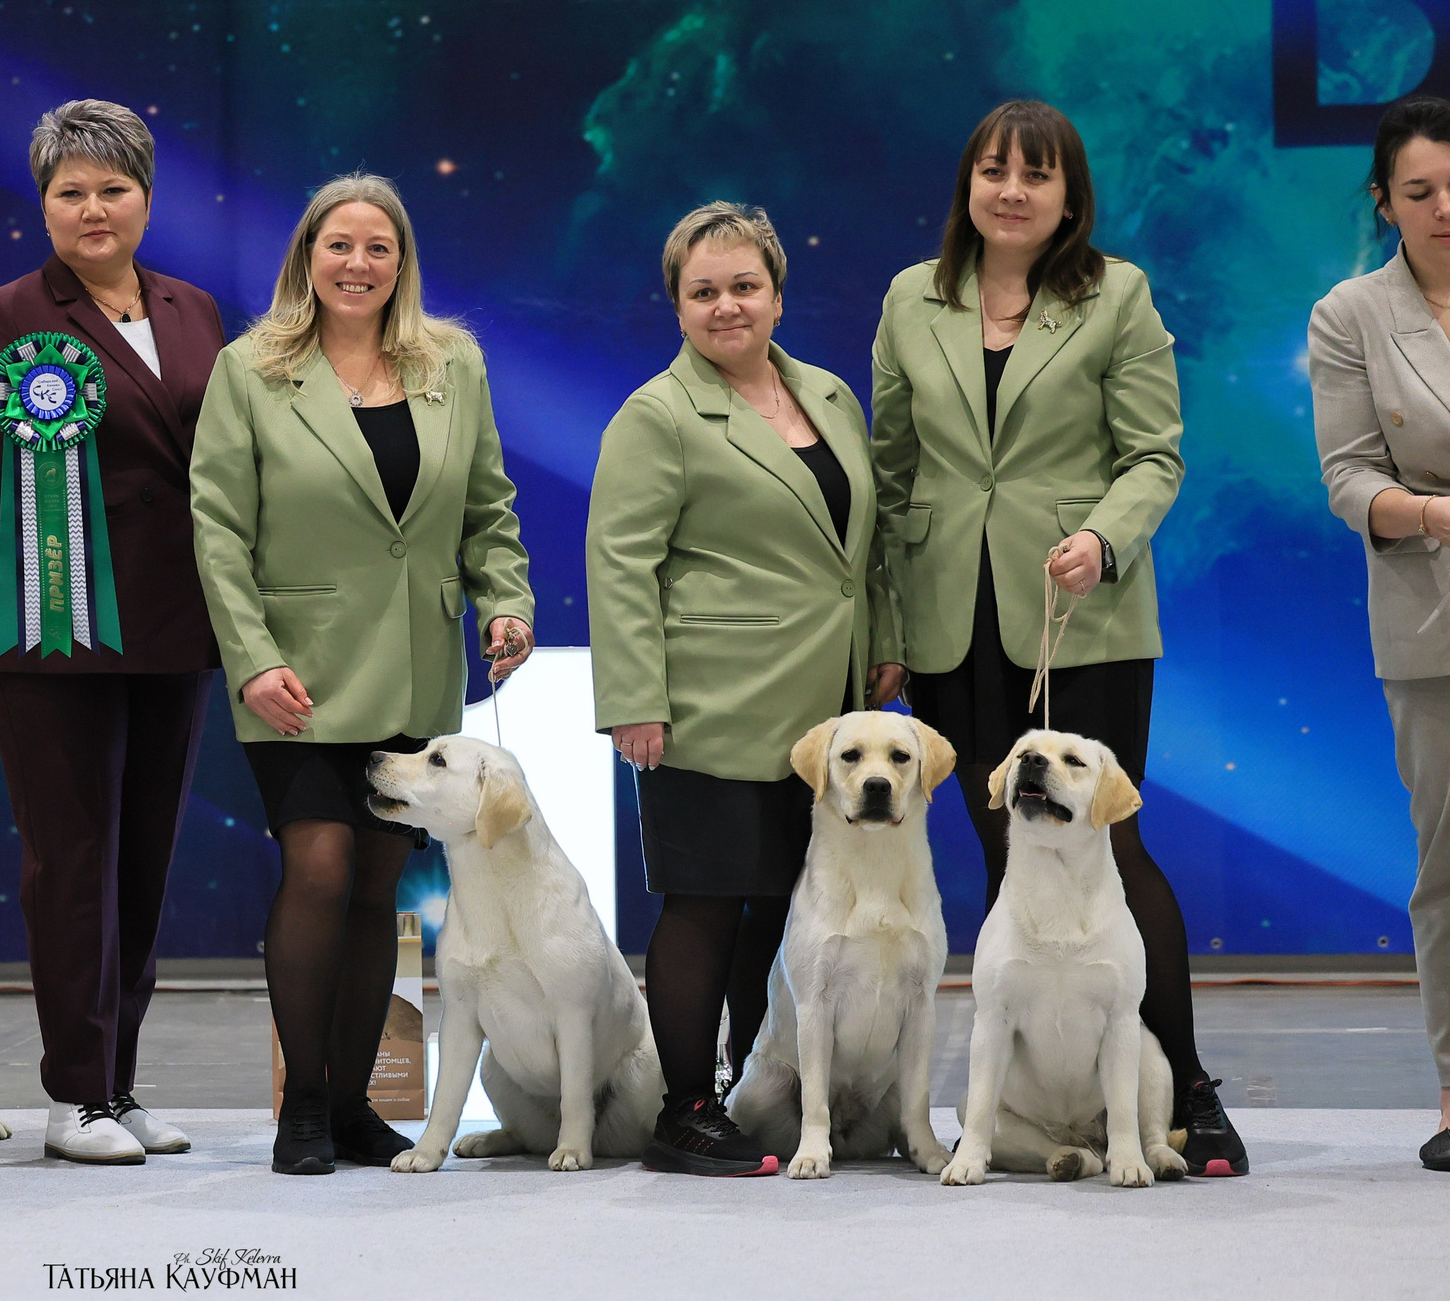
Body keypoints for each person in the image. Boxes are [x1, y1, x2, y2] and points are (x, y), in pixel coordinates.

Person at [871, 98, 1245, 1175]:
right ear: (967, 185)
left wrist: (1101, 536)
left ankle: (1188, 1093)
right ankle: (1033, 1108)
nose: (1012, 190)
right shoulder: (912, 297)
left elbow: (1154, 455)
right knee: (1002, 846)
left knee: (1108, 847)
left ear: (1068, 198)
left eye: (1036, 175)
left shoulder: (1114, 294)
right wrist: (889, 622)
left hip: (1079, 612)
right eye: (993, 170)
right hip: (952, 616)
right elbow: (894, 473)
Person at [191, 173, 533, 1176]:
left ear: (401, 263)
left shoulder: (451, 362)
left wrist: (503, 595)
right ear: (307, 255)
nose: (358, 264)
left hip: (415, 667)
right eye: (339, 245)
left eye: (378, 247)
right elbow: (216, 529)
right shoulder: (249, 370)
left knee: (378, 885)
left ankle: (351, 1106)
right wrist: (250, 659)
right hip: (293, 677)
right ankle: (302, 1105)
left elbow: (487, 504)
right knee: (321, 868)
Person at [0, 101, 226, 1166]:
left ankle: (121, 1081)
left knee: (142, 862)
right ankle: (74, 1095)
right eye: (71, 191)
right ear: (44, 204)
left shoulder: (196, 311)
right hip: (46, 628)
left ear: (146, 197)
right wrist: (29, 429)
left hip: (170, 622)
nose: (92, 208)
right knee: (71, 861)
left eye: (112, 188)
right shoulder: (4, 313)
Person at [588, 202, 899, 1177]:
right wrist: (634, 695)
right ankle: (683, 1111)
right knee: (705, 903)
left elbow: (868, 545)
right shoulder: (658, 414)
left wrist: (883, 645)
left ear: (776, 292)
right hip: (709, 699)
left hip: (822, 709)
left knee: (781, 909)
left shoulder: (832, 398)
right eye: (703, 291)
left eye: (743, 286)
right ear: (677, 305)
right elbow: (620, 561)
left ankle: (752, 1093)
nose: (726, 306)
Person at [1308, 92, 1450, 1172]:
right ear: (1384, 200)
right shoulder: (1350, 314)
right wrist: (1436, 512)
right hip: (1432, 609)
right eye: (1420, 191)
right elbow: (1349, 479)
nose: (1445, 207)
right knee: (1447, 868)